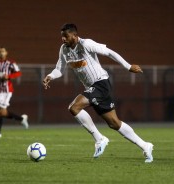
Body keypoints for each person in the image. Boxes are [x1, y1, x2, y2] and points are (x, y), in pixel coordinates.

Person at [43, 23, 153, 163]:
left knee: (74, 107)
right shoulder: (64, 50)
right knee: (114, 123)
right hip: (93, 87)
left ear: (75, 36)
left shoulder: (86, 44)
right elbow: (59, 68)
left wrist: (128, 66)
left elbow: (109, 52)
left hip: (101, 83)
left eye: (66, 36)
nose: (63, 39)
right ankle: (145, 145)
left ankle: (100, 139)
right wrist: (50, 76)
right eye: (62, 36)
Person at [0, 47, 29, 138]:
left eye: (3, 51)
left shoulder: (10, 63)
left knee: (0, 110)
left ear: (6, 53)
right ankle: (21, 119)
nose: (1, 52)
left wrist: (9, 76)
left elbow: (19, 73)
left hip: (7, 90)